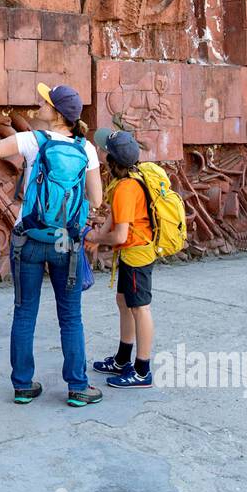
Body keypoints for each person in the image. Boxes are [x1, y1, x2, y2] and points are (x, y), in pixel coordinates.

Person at [0, 83, 104, 406]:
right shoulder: (86, 149)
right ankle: (77, 387)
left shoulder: (34, 141)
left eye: (46, 102)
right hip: (65, 241)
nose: (40, 105)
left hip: (28, 237)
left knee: (24, 311)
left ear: (57, 113)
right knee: (71, 317)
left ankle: (23, 385)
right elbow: (98, 199)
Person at [84, 128, 155, 388]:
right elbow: (113, 220)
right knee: (124, 301)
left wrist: (97, 238)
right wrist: (98, 236)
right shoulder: (129, 180)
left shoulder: (126, 188)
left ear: (114, 162)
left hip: (136, 253)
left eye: (105, 153)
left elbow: (120, 235)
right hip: (130, 252)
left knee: (140, 307)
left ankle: (142, 370)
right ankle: (123, 359)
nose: (102, 156)